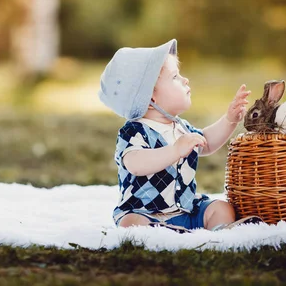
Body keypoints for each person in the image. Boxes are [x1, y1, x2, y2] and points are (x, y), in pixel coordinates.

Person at [98, 39, 262, 232]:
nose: (185, 80)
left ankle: (221, 231)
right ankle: (161, 231)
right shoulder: (135, 131)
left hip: (186, 210)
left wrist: (229, 120)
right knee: (130, 223)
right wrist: (175, 150)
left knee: (220, 207)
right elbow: (135, 164)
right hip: (146, 213)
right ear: (150, 98)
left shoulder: (181, 127)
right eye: (175, 77)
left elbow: (206, 143)